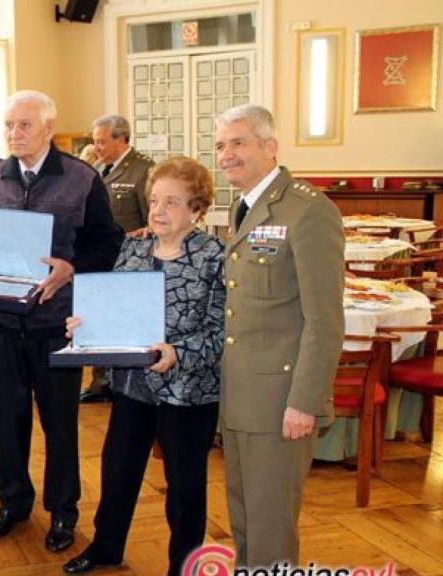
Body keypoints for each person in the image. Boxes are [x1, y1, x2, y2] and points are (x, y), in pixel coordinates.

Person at [62, 157, 226, 575]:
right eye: (154, 200)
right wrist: (86, 325)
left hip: (188, 390)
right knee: (118, 471)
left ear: (196, 208)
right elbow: (115, 308)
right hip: (133, 383)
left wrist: (179, 353)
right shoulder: (132, 247)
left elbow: (220, 332)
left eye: (172, 202)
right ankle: (106, 548)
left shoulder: (214, 257)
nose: (158, 210)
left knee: (185, 488)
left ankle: (183, 565)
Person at [0, 90, 124, 552]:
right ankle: (15, 501)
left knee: (59, 425)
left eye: (24, 125)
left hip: (55, 326)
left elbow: (109, 243)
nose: (14, 134)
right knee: (7, 420)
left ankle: (63, 511)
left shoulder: (82, 179)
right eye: (8, 125)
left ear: (47, 128)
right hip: (3, 322)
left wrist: (71, 268)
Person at [218, 104, 344, 567]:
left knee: (271, 524)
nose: (226, 154)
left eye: (238, 142)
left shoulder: (308, 211)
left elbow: (325, 319)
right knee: (246, 516)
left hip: (280, 399)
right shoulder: (244, 205)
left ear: (270, 147)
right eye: (220, 145)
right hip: (241, 394)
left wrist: (305, 401)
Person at [81, 115, 156, 405]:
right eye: (95, 141)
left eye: (101, 141)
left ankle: (123, 384)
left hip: (131, 266)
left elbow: (154, 220)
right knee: (102, 324)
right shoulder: (98, 169)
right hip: (102, 262)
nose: (96, 147)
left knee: (126, 329)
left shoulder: (143, 170)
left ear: (121, 139)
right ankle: (101, 382)